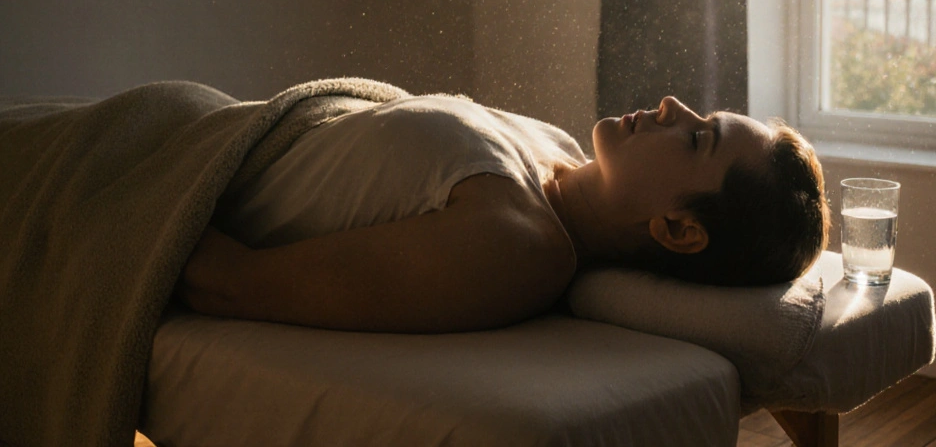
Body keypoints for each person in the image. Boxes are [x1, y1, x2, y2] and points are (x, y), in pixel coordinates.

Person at [178, 95, 829, 334]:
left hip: (168, 168)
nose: (670, 105)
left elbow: (228, 281)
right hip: (202, 121)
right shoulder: (556, 151)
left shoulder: (515, 249)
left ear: (678, 229)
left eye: (695, 139)